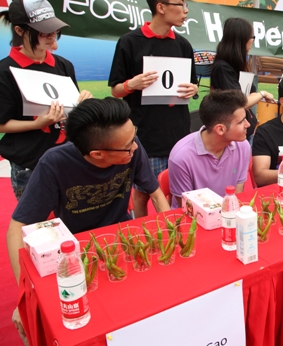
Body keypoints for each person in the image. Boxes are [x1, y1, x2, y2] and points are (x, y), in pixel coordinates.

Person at [7, 98, 170, 338]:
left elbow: (155, 192)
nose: (135, 148)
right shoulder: (54, 163)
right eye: (127, 146)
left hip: (121, 243)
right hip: (75, 253)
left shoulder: (130, 146)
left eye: (133, 136)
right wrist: (25, 294)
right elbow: (17, 227)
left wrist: (168, 235)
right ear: (97, 153)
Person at [108, 0, 198, 217]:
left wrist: (193, 90)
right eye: (181, 4)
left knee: (179, 190)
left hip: (179, 132)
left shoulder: (183, 45)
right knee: (143, 191)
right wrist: (131, 84)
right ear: (161, 7)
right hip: (145, 133)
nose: (185, 11)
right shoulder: (129, 42)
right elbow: (115, 90)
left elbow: (194, 85)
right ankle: (143, 232)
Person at [0, 0, 92, 200]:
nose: (52, 36)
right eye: (44, 32)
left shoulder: (63, 65)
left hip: (67, 156)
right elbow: (2, 124)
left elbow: (71, 111)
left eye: (55, 30)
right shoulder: (5, 71)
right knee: (37, 225)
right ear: (19, 31)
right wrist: (38, 124)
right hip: (30, 163)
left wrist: (83, 105)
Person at [168, 90, 251, 208]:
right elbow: (187, 208)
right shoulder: (181, 157)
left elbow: (237, 195)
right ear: (220, 129)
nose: (248, 124)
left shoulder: (243, 146)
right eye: (241, 122)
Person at [210, 17, 275, 143]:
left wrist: (253, 97)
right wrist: (263, 94)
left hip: (245, 131)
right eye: (252, 37)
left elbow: (250, 95)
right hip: (230, 135)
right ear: (241, 39)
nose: (252, 41)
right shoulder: (222, 68)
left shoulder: (238, 65)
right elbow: (241, 102)